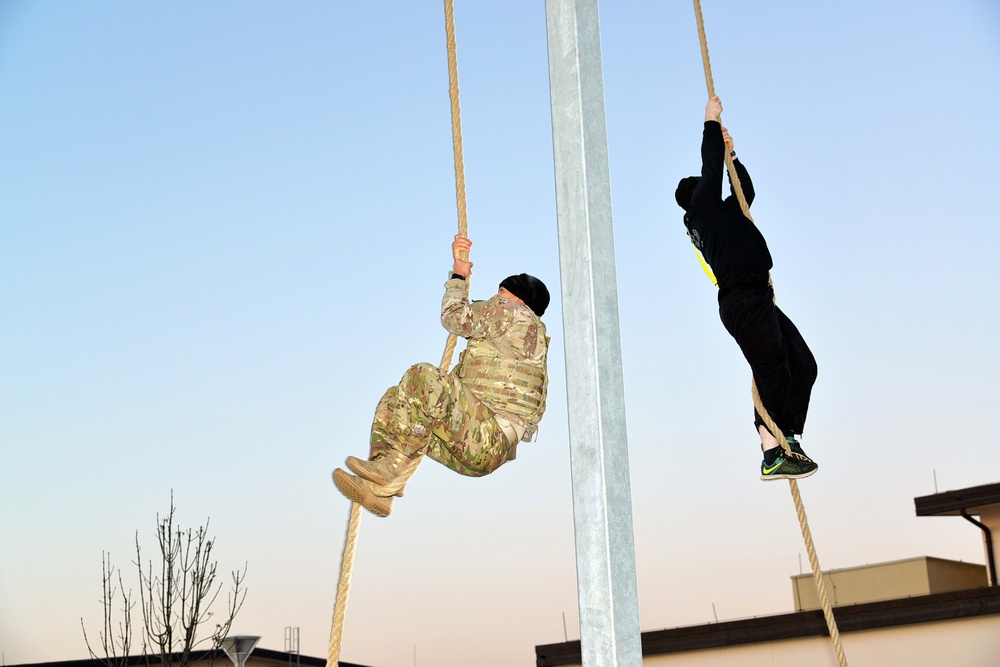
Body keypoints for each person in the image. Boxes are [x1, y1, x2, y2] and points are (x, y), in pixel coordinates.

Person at [332, 234, 551, 516]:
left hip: (487, 438)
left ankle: (390, 473)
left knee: (423, 377)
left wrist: (458, 276)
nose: (496, 297)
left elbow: (454, 317)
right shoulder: (524, 334)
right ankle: (381, 487)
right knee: (395, 400)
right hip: (476, 450)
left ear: (518, 299)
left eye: (501, 292)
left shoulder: (511, 313)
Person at [675, 96, 818, 481]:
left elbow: (744, 191)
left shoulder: (725, 215)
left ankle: (787, 436)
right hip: (742, 298)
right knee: (772, 368)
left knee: (803, 363)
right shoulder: (702, 213)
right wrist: (709, 123)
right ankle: (771, 451)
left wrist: (733, 158)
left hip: (758, 296)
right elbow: (710, 172)